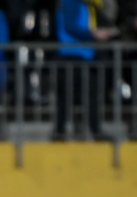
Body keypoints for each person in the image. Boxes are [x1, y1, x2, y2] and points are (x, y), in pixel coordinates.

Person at [54, 0, 115, 141]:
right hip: (73, 56)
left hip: (80, 55)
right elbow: (71, 26)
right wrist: (94, 34)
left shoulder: (83, 5)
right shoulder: (71, 3)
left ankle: (60, 132)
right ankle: (94, 131)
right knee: (85, 95)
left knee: (70, 97)